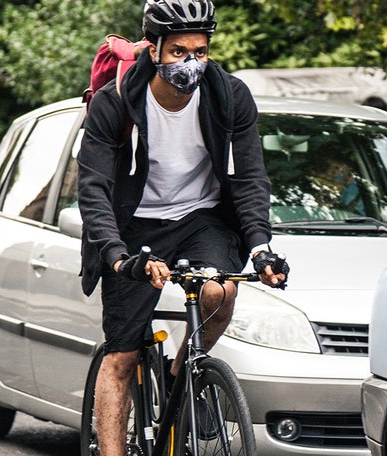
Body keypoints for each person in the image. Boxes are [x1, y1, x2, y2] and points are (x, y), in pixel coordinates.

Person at [76, 1, 289, 453]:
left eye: (200, 50)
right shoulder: (116, 102)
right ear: (153, 50)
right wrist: (117, 257)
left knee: (219, 292)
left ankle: (185, 372)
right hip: (134, 225)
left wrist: (260, 248)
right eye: (177, 51)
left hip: (200, 217)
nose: (190, 62)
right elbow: (93, 189)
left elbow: (249, 177)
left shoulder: (230, 96)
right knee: (122, 355)